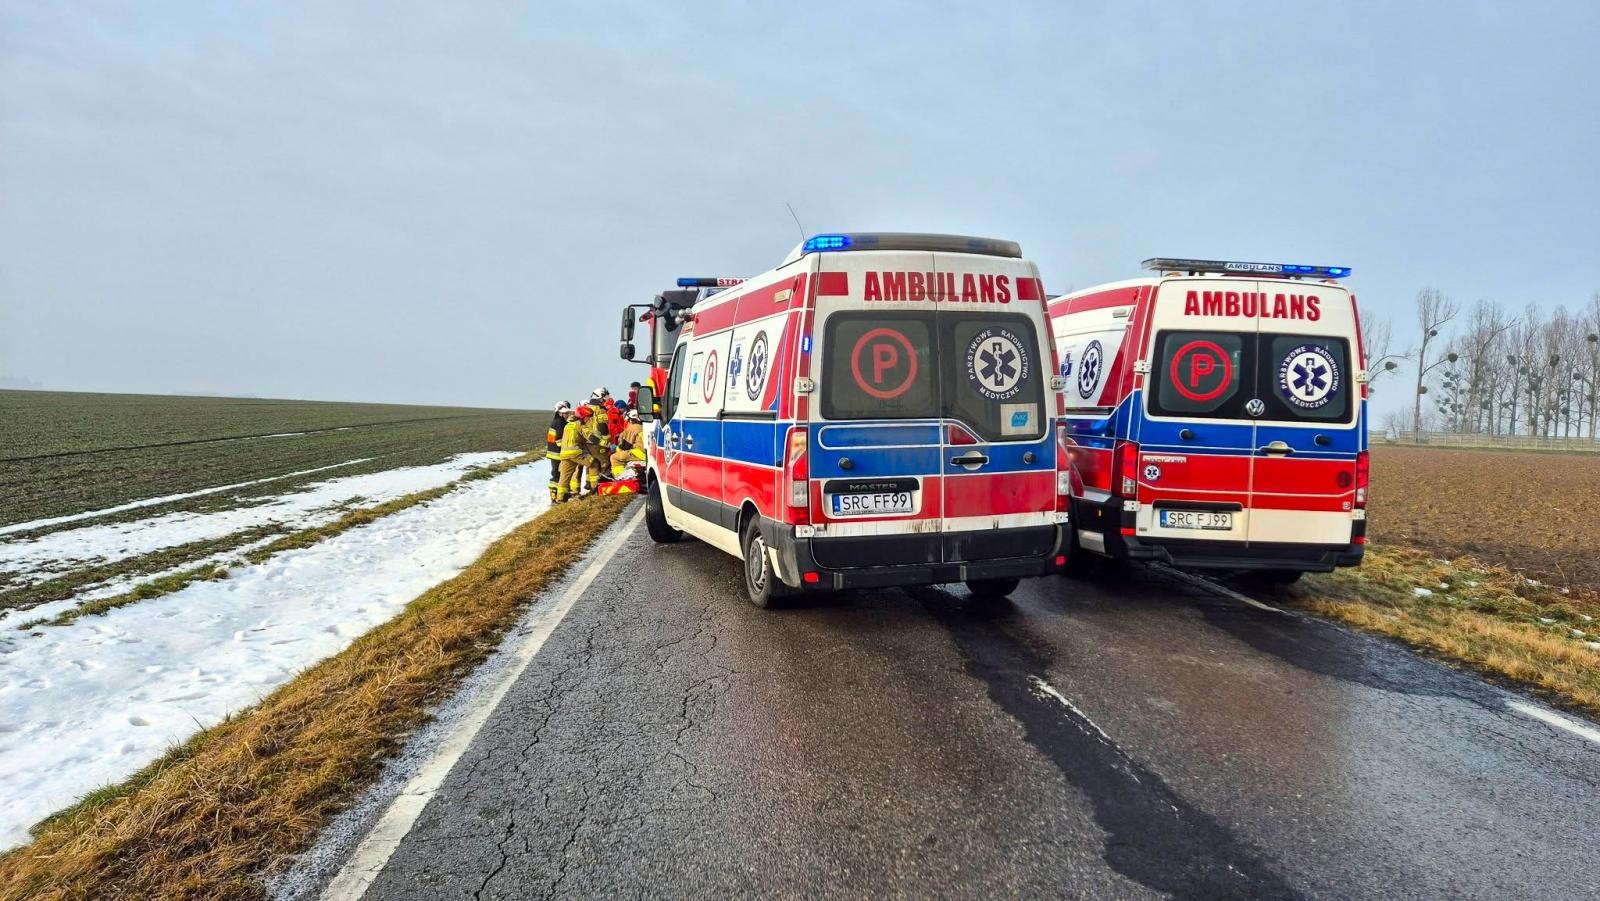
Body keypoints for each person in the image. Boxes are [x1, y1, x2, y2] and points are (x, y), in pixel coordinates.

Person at [554, 406, 585, 503]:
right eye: (566, 413)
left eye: (568, 413)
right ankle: (593, 487)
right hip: (574, 453)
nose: (567, 414)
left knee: (564, 476)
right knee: (594, 464)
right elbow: (587, 437)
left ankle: (560, 498)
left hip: (564, 453)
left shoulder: (567, 424)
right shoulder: (577, 424)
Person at [576, 404, 610, 491]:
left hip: (589, 446)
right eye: (588, 416)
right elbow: (592, 438)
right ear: (583, 417)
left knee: (593, 465)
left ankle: (591, 485)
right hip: (593, 445)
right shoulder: (583, 425)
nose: (589, 417)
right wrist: (606, 444)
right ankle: (601, 484)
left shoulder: (583, 423)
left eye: (590, 416)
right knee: (603, 462)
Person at [545, 401, 571, 501]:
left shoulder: (557, 421)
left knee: (557, 473)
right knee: (557, 474)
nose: (567, 414)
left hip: (554, 453)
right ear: (559, 412)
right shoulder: (559, 423)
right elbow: (559, 440)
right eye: (565, 413)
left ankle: (559, 494)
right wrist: (567, 448)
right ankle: (554, 494)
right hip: (557, 453)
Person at [611, 408, 645, 474]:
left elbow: (625, 445)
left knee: (614, 457)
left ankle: (620, 475)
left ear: (630, 420)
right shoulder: (642, 426)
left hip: (640, 453)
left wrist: (615, 449)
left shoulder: (632, 428)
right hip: (645, 452)